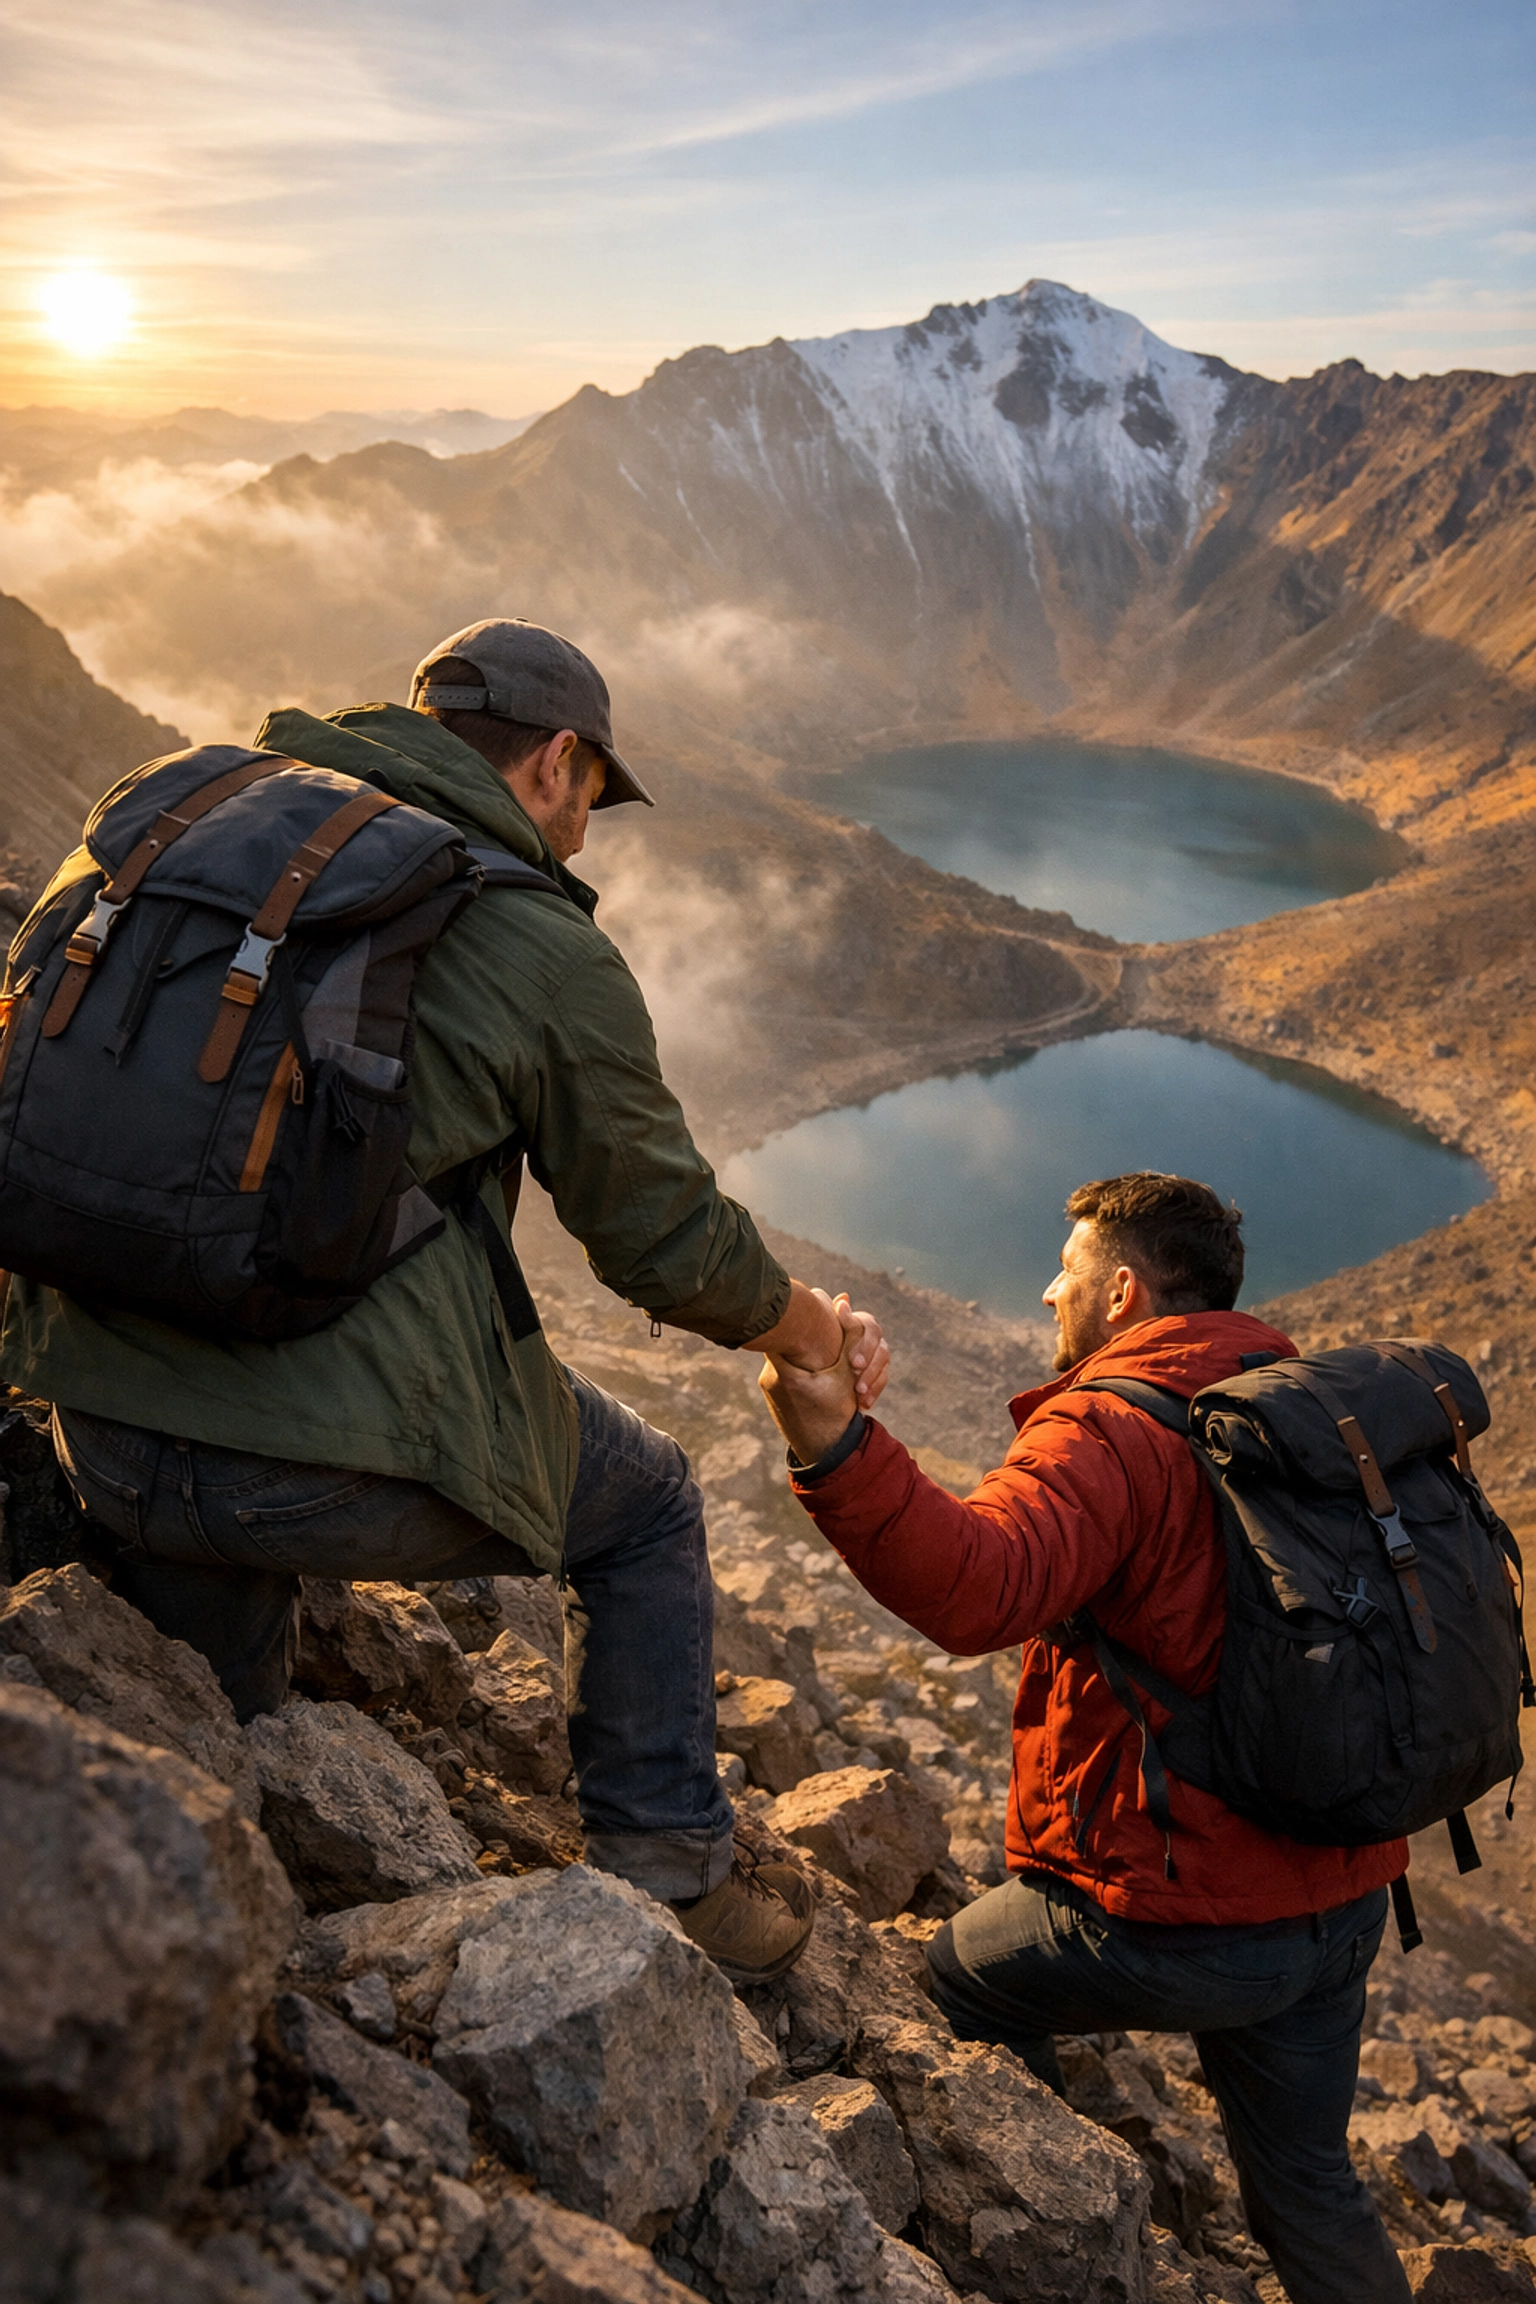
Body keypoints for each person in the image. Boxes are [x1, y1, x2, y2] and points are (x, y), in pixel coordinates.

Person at [1, 615, 887, 1983]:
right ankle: (669, 1868)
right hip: (288, 1474)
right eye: (593, 795)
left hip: (95, 1419)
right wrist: (811, 1334)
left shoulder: (180, 806)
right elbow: (664, 1242)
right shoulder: (534, 938)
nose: (587, 831)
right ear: (555, 764)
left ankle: (227, 1816)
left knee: (226, 1722)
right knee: (648, 1503)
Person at [757, 1172, 1411, 2304]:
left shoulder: (1114, 1425)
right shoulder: (1310, 1404)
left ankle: (1043, 2231)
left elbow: (979, 1588)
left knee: (956, 1981)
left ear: (1120, 1290)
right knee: (1310, 2186)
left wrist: (836, 1444)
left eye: (1063, 1275)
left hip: (1191, 1921)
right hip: (1346, 1893)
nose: (1045, 1293)